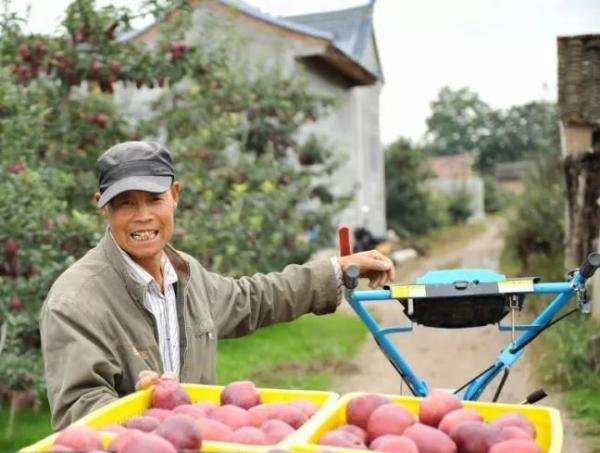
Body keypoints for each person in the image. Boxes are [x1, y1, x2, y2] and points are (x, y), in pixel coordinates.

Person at [40, 140, 394, 429]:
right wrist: (141, 407)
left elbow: (254, 298)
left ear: (175, 195)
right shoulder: (75, 301)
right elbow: (77, 412)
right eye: (125, 203)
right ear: (102, 206)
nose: (143, 216)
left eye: (154, 199)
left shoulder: (187, 275)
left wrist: (336, 268)